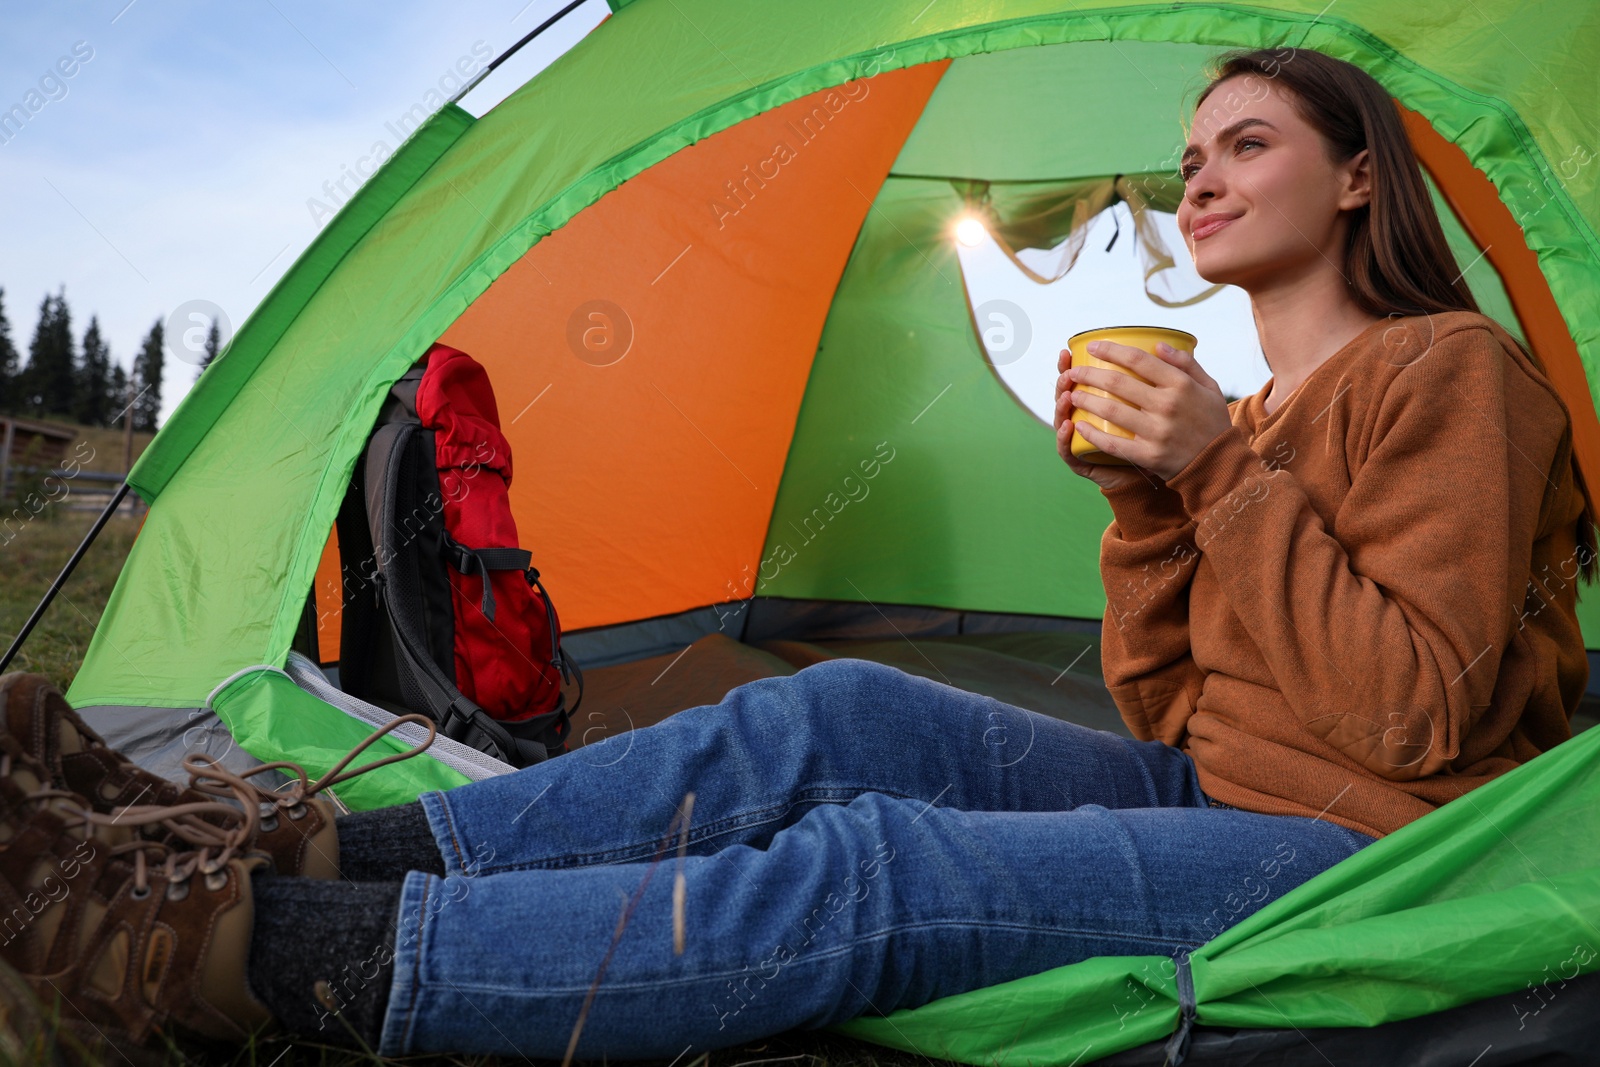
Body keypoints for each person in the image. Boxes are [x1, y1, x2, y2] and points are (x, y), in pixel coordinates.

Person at [2, 44, 1591, 1062]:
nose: (1201, 182)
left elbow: (1412, 721)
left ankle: (230, 948)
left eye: (1246, 146)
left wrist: (1217, 473)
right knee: (829, 718)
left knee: (886, 869)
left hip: (1366, 845)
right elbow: (1172, 712)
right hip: (1221, 787)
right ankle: (315, 849)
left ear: (1361, 172)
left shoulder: (1446, 370)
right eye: (1192, 159)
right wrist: (1148, 507)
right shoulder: (1255, 399)